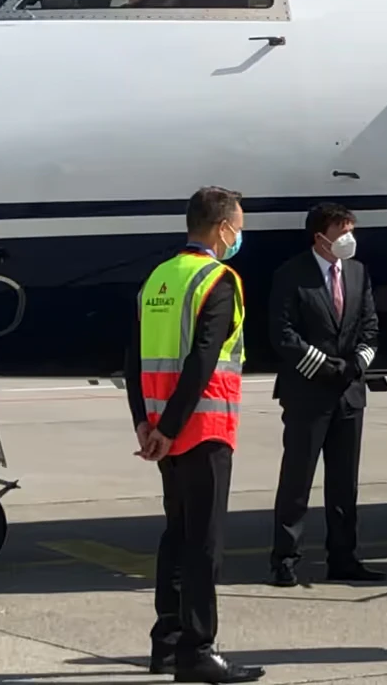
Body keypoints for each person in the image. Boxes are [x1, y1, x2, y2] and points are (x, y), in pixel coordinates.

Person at [125, 186, 264, 683]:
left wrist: (147, 423)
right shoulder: (218, 279)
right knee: (204, 543)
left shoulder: (158, 278)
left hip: (163, 430)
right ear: (222, 227)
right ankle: (199, 650)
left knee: (176, 535)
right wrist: (172, 426)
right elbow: (203, 360)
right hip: (202, 428)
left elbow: (133, 358)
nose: (240, 235)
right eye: (238, 227)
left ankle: (166, 642)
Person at [266, 202, 384, 587]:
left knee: (343, 483)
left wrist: (355, 366)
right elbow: (283, 334)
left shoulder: (358, 272)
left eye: (351, 229)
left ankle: (344, 558)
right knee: (297, 481)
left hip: (349, 394)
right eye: (342, 230)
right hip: (307, 393)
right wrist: (325, 367)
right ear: (320, 237)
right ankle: (285, 558)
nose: (349, 238)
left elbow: (370, 327)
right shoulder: (292, 275)